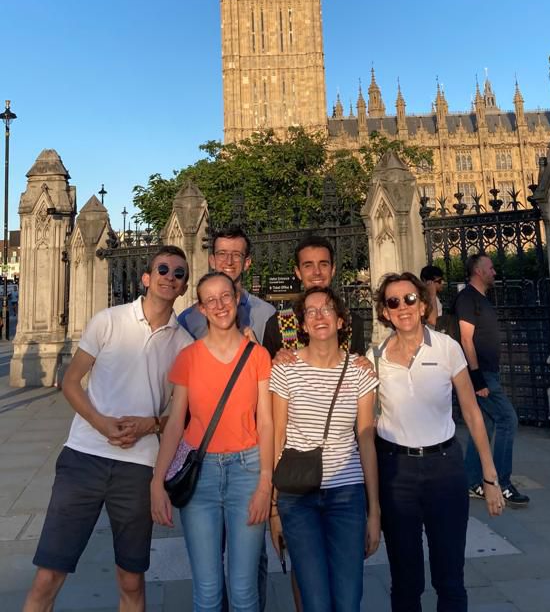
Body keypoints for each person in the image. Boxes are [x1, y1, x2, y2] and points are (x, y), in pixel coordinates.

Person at [23, 246, 192, 612]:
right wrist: (100, 423)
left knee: (131, 580)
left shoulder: (184, 344)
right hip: (84, 457)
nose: (170, 277)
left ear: (183, 287)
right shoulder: (108, 320)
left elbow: (184, 416)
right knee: (48, 575)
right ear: (146, 277)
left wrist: (151, 424)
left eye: (179, 274)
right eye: (163, 269)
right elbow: (71, 382)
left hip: (139, 466)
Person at [370, 271, 504, 612]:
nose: (403, 307)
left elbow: (472, 413)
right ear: (385, 312)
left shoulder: (447, 348)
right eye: (393, 302)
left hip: (444, 469)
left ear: (422, 304)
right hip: (396, 472)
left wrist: (489, 476)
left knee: (450, 576)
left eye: (410, 299)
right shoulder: (374, 359)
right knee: (405, 579)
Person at [151, 270, 273, 612]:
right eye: (211, 300)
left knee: (244, 591)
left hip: (247, 471)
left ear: (237, 299)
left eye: (225, 297)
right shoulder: (188, 357)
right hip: (200, 475)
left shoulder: (257, 355)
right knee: (206, 592)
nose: (220, 305)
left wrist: (266, 483)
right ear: (201, 309)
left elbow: (266, 421)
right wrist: (157, 482)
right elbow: (176, 423)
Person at [269, 286, 380, 612]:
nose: (319, 316)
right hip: (297, 495)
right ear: (302, 324)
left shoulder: (360, 370)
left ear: (341, 320)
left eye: (327, 309)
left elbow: (366, 439)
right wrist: (274, 508)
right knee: (315, 600)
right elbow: (278, 436)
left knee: (348, 600)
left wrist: (374, 511)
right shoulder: (286, 369)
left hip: (346, 493)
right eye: (311, 311)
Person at [456, 253, 530, 507]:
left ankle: (471, 480)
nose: (494, 272)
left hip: (488, 372)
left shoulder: (482, 299)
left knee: (485, 425)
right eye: (491, 268)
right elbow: (466, 339)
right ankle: (502, 483)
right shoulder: (467, 298)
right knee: (508, 419)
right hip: (482, 375)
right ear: (478, 271)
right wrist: (477, 379)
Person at [262, 235, 366, 357]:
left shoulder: (351, 323)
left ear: (333, 269)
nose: (317, 272)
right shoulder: (276, 324)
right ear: (298, 272)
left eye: (323, 264)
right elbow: (265, 366)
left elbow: (358, 365)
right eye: (308, 265)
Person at [179, 227, 276, 344]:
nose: (229, 261)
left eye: (236, 255)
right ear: (212, 261)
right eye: (222, 254)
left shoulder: (267, 314)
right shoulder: (188, 319)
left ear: (246, 263)